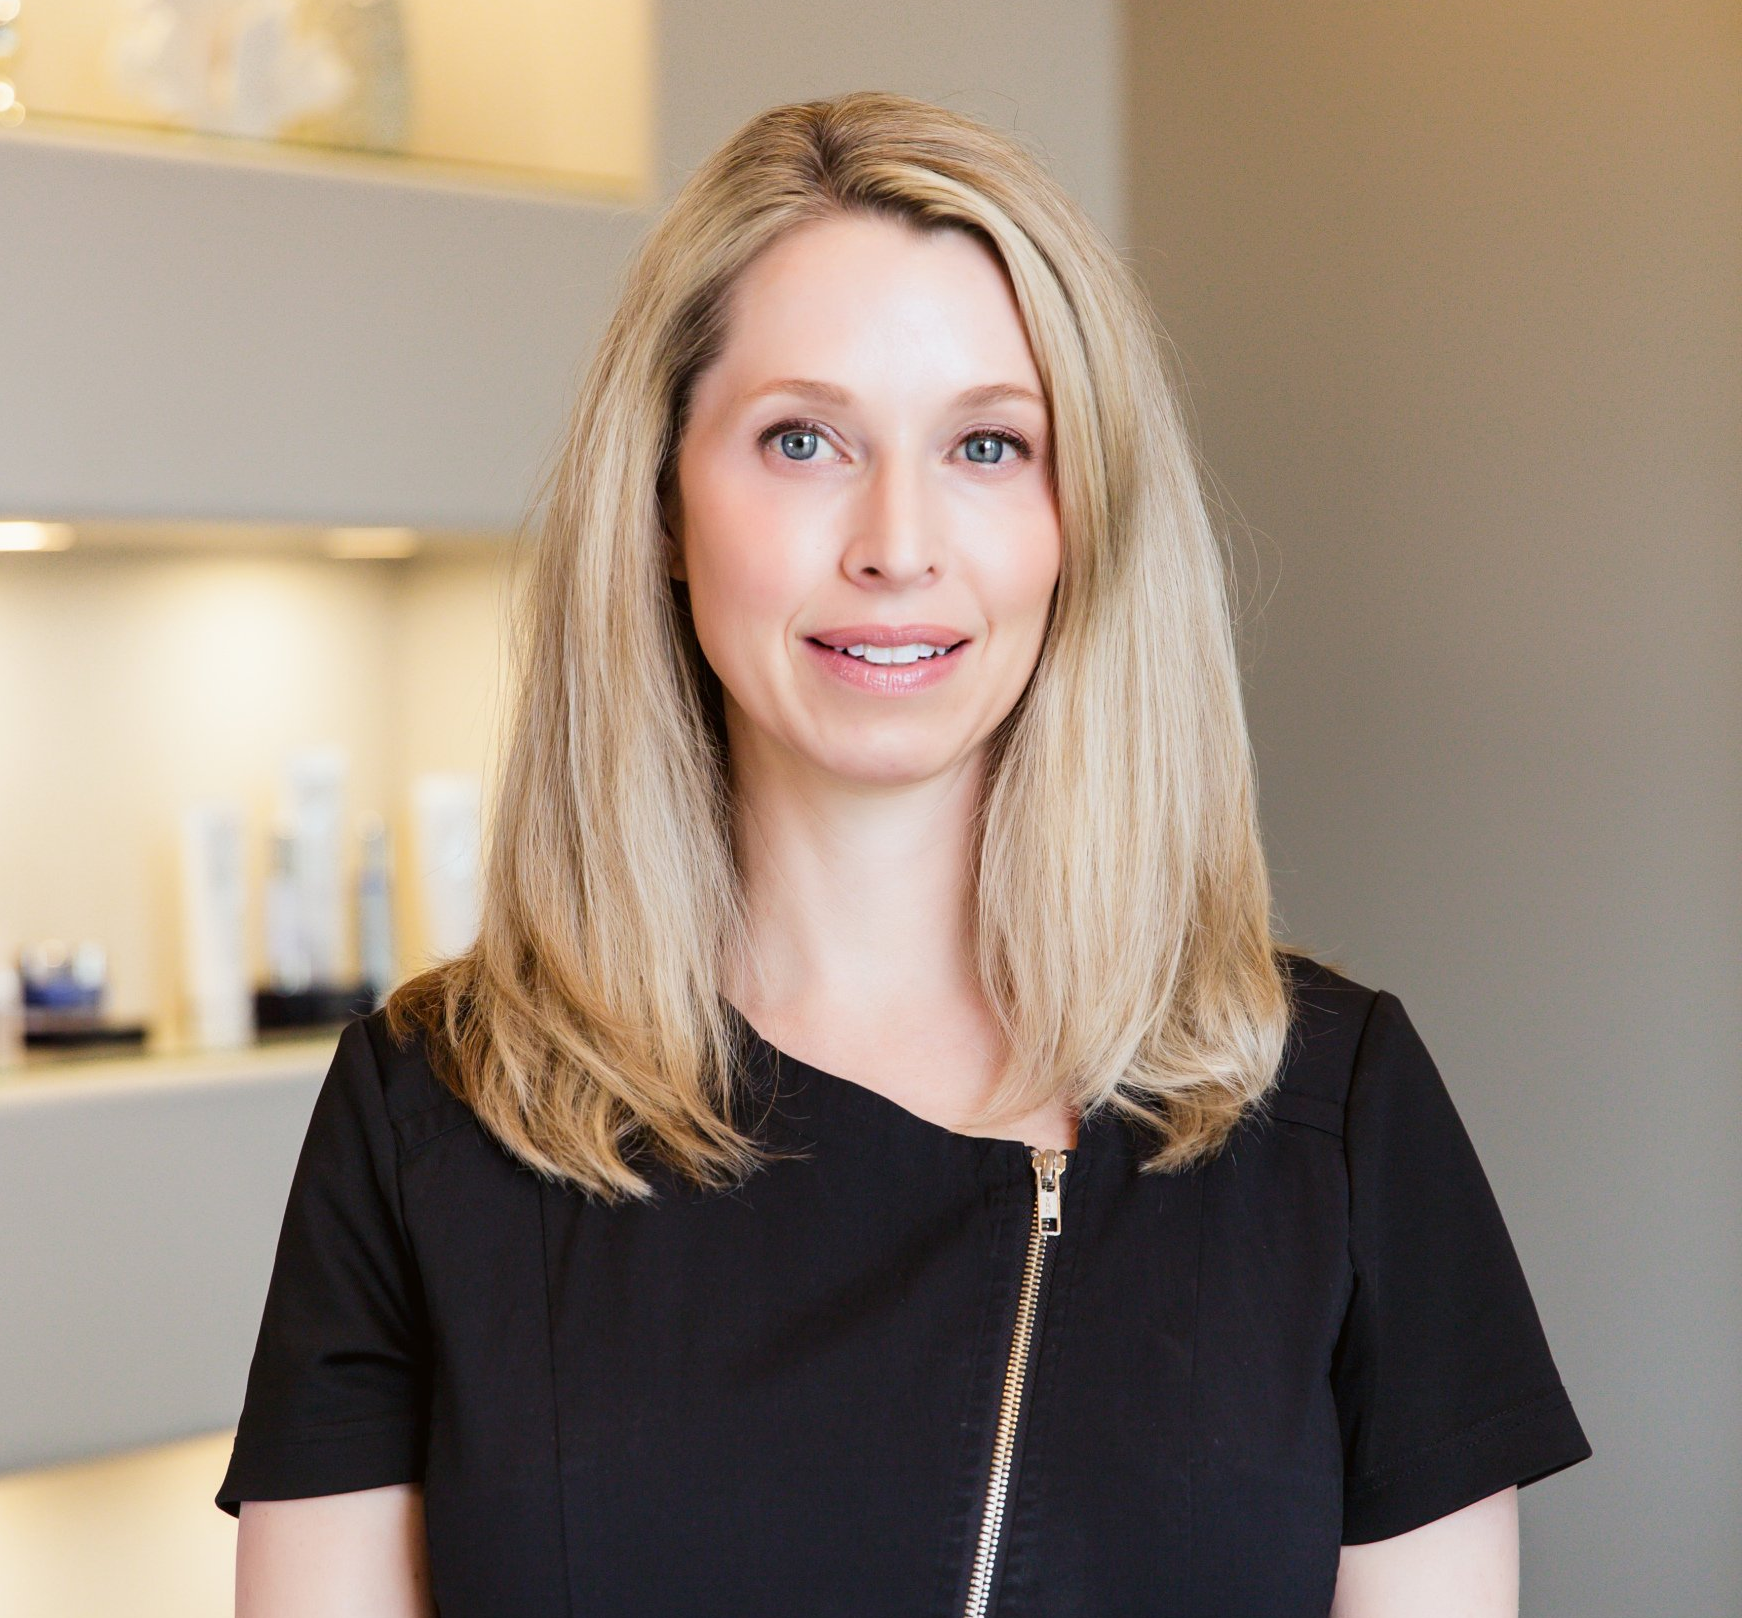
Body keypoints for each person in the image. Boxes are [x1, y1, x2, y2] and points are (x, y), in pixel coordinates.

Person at [217, 90, 1591, 1617]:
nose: (896, 541)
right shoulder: (431, 1114)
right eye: (802, 439)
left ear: (1082, 520)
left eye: (988, 445)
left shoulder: (1335, 1114)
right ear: (662, 502)